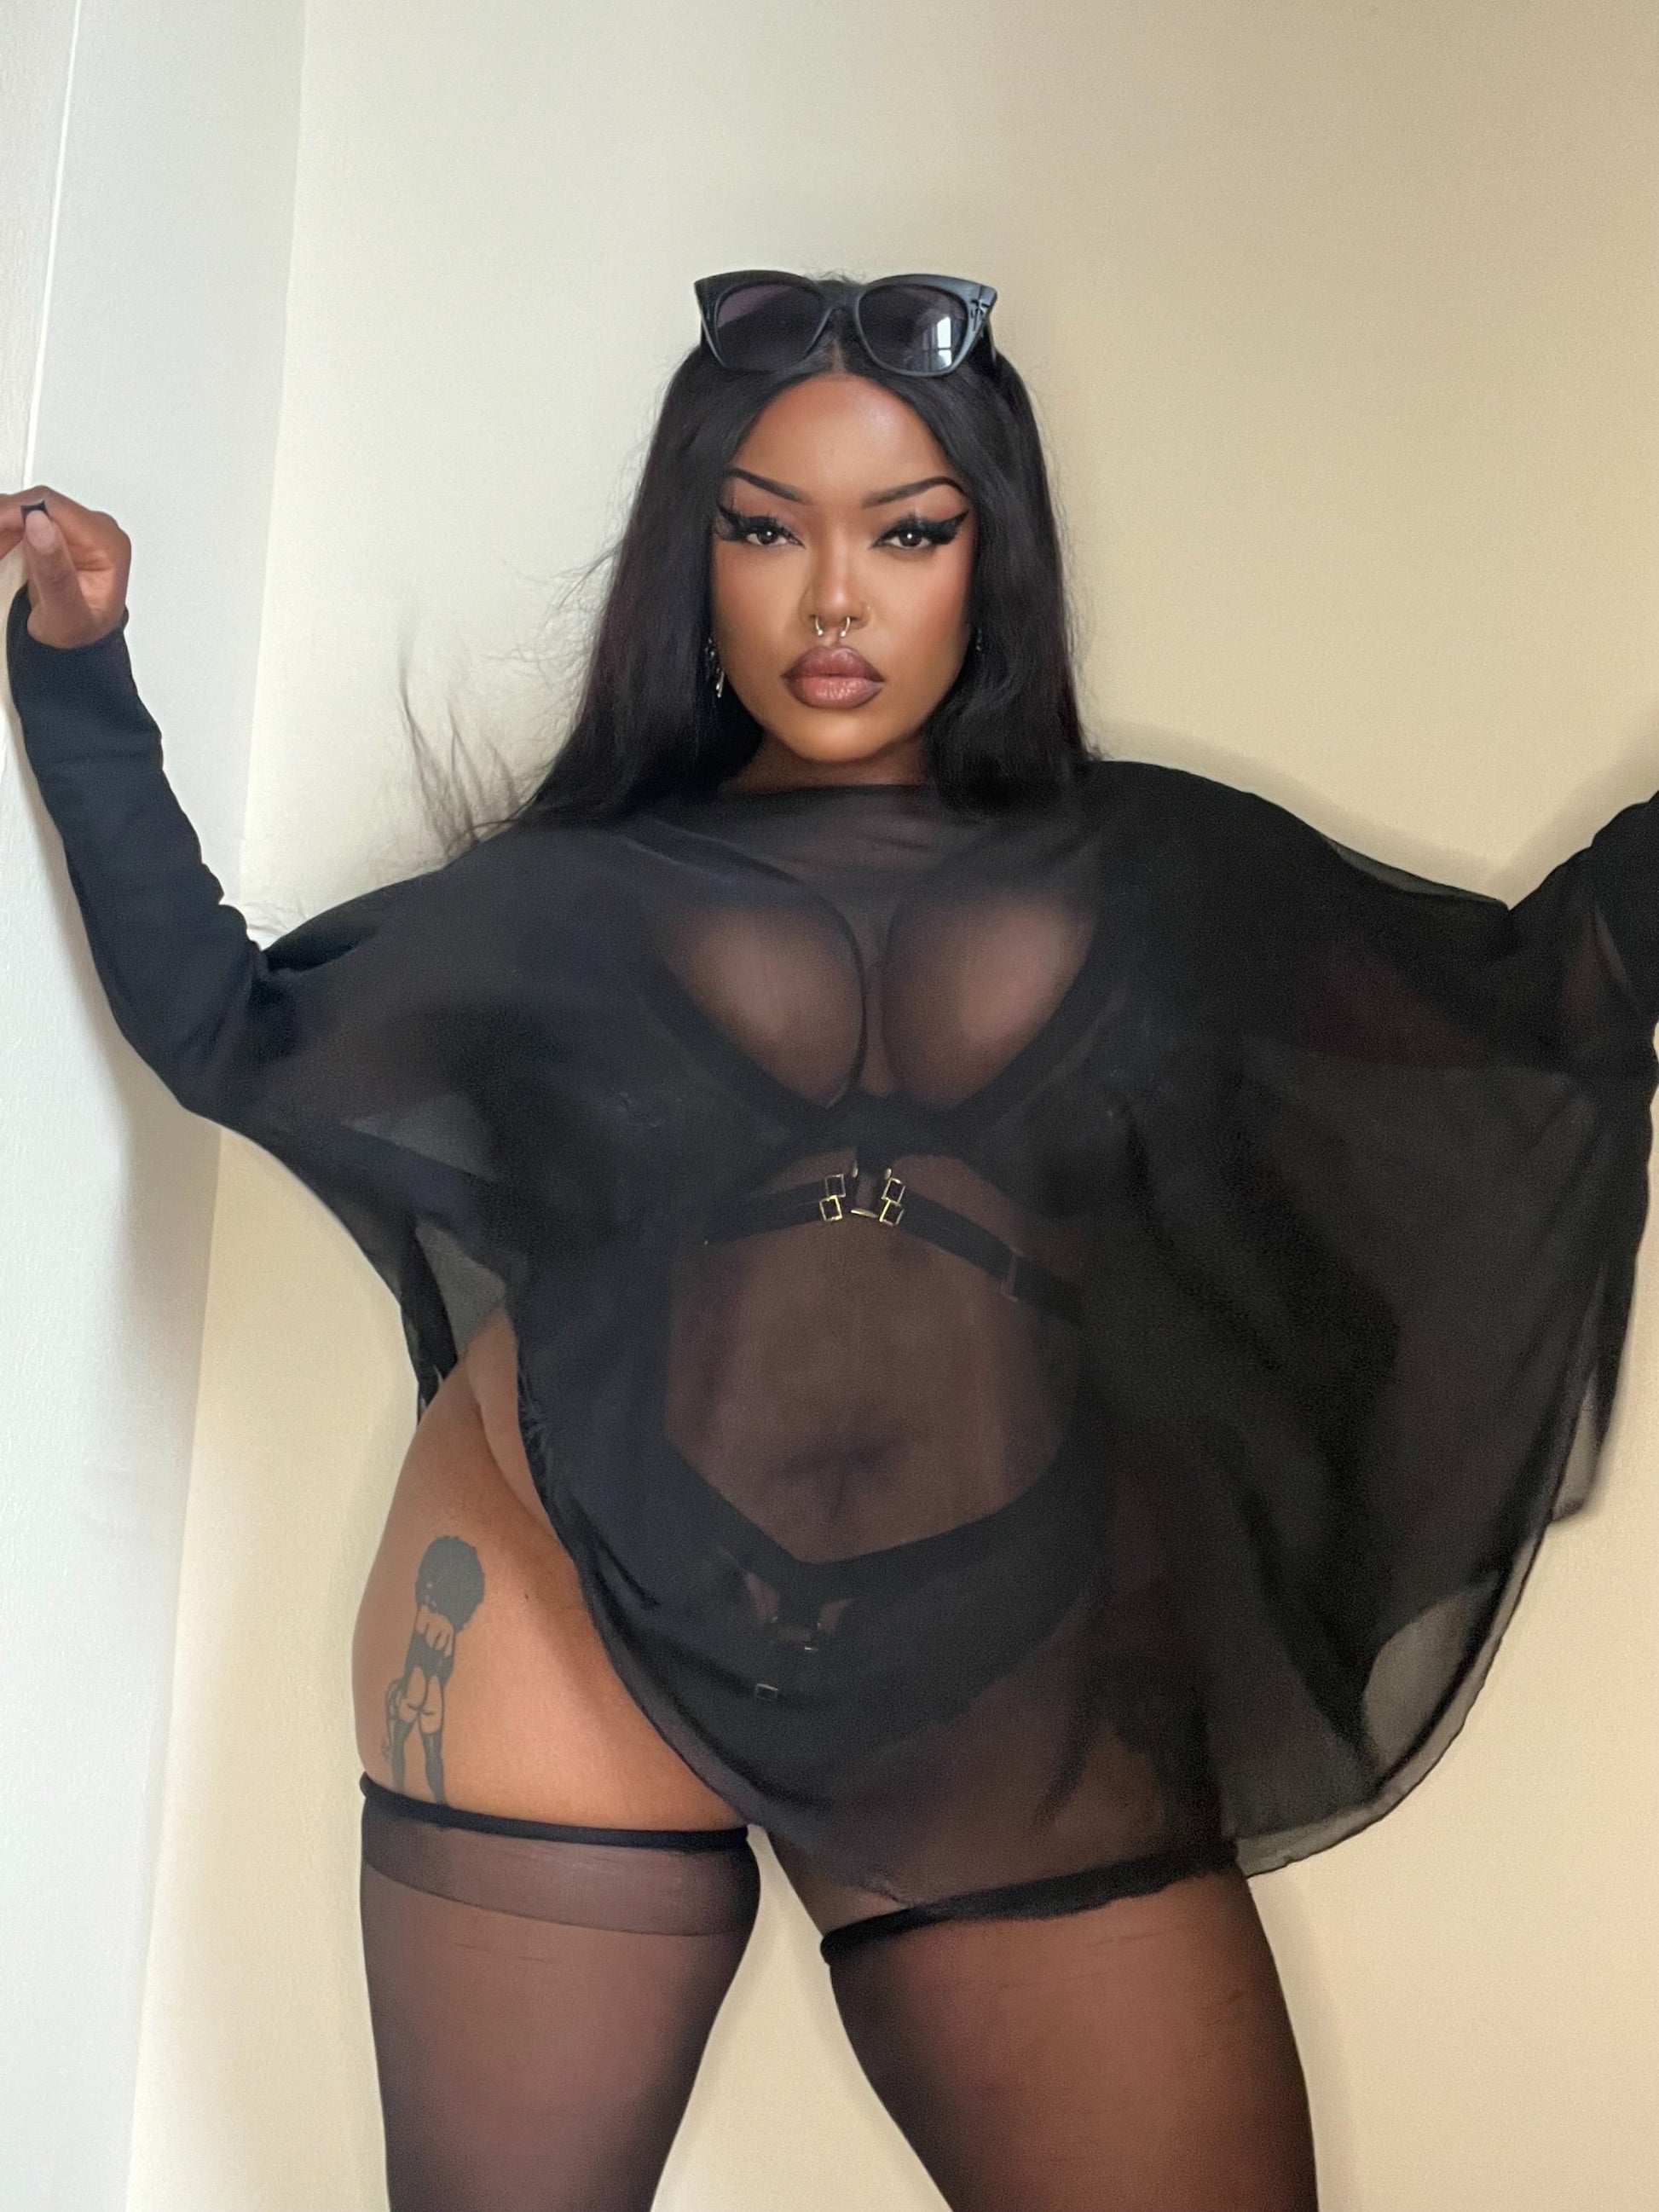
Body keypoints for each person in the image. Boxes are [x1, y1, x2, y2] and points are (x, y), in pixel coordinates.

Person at [5, 269, 1656, 2212]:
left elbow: (1538, 993)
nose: (836, 602)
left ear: (991, 555)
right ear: (694, 558)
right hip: (557, 1599)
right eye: (767, 530)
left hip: (1001, 1651)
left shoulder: (1159, 873)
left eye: (908, 531)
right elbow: (232, 1031)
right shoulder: (571, 896)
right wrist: (78, 680)